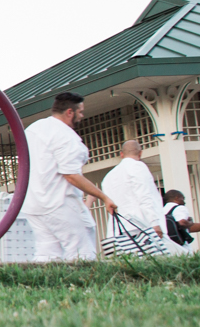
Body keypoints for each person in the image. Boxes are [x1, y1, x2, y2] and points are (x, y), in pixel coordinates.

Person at [22, 92, 113, 264]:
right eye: (80, 111)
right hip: (59, 202)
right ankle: (84, 288)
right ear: (70, 112)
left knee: (47, 253)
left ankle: (46, 287)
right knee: (81, 250)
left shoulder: (34, 129)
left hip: (33, 203)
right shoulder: (66, 137)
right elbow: (71, 175)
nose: (82, 116)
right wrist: (104, 197)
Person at [102, 140, 166, 243]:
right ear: (140, 153)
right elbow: (144, 196)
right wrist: (154, 222)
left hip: (118, 230)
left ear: (121, 154)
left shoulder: (108, 176)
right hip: (141, 226)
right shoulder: (138, 167)